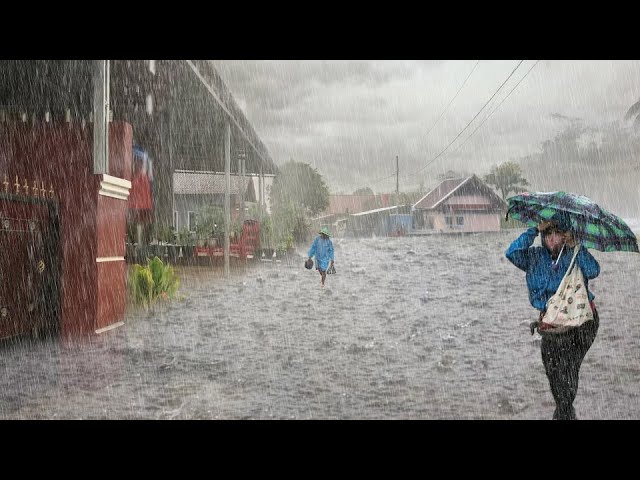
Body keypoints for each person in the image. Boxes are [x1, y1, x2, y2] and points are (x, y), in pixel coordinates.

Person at [505, 211, 600, 420]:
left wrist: (577, 246)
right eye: (547, 233)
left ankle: (564, 414)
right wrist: (533, 230)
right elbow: (511, 253)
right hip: (551, 324)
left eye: (557, 233)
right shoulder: (534, 257)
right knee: (553, 373)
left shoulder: (574, 254)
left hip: (581, 322)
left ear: (566, 235)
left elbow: (594, 270)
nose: (552, 238)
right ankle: (566, 412)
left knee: (568, 369)